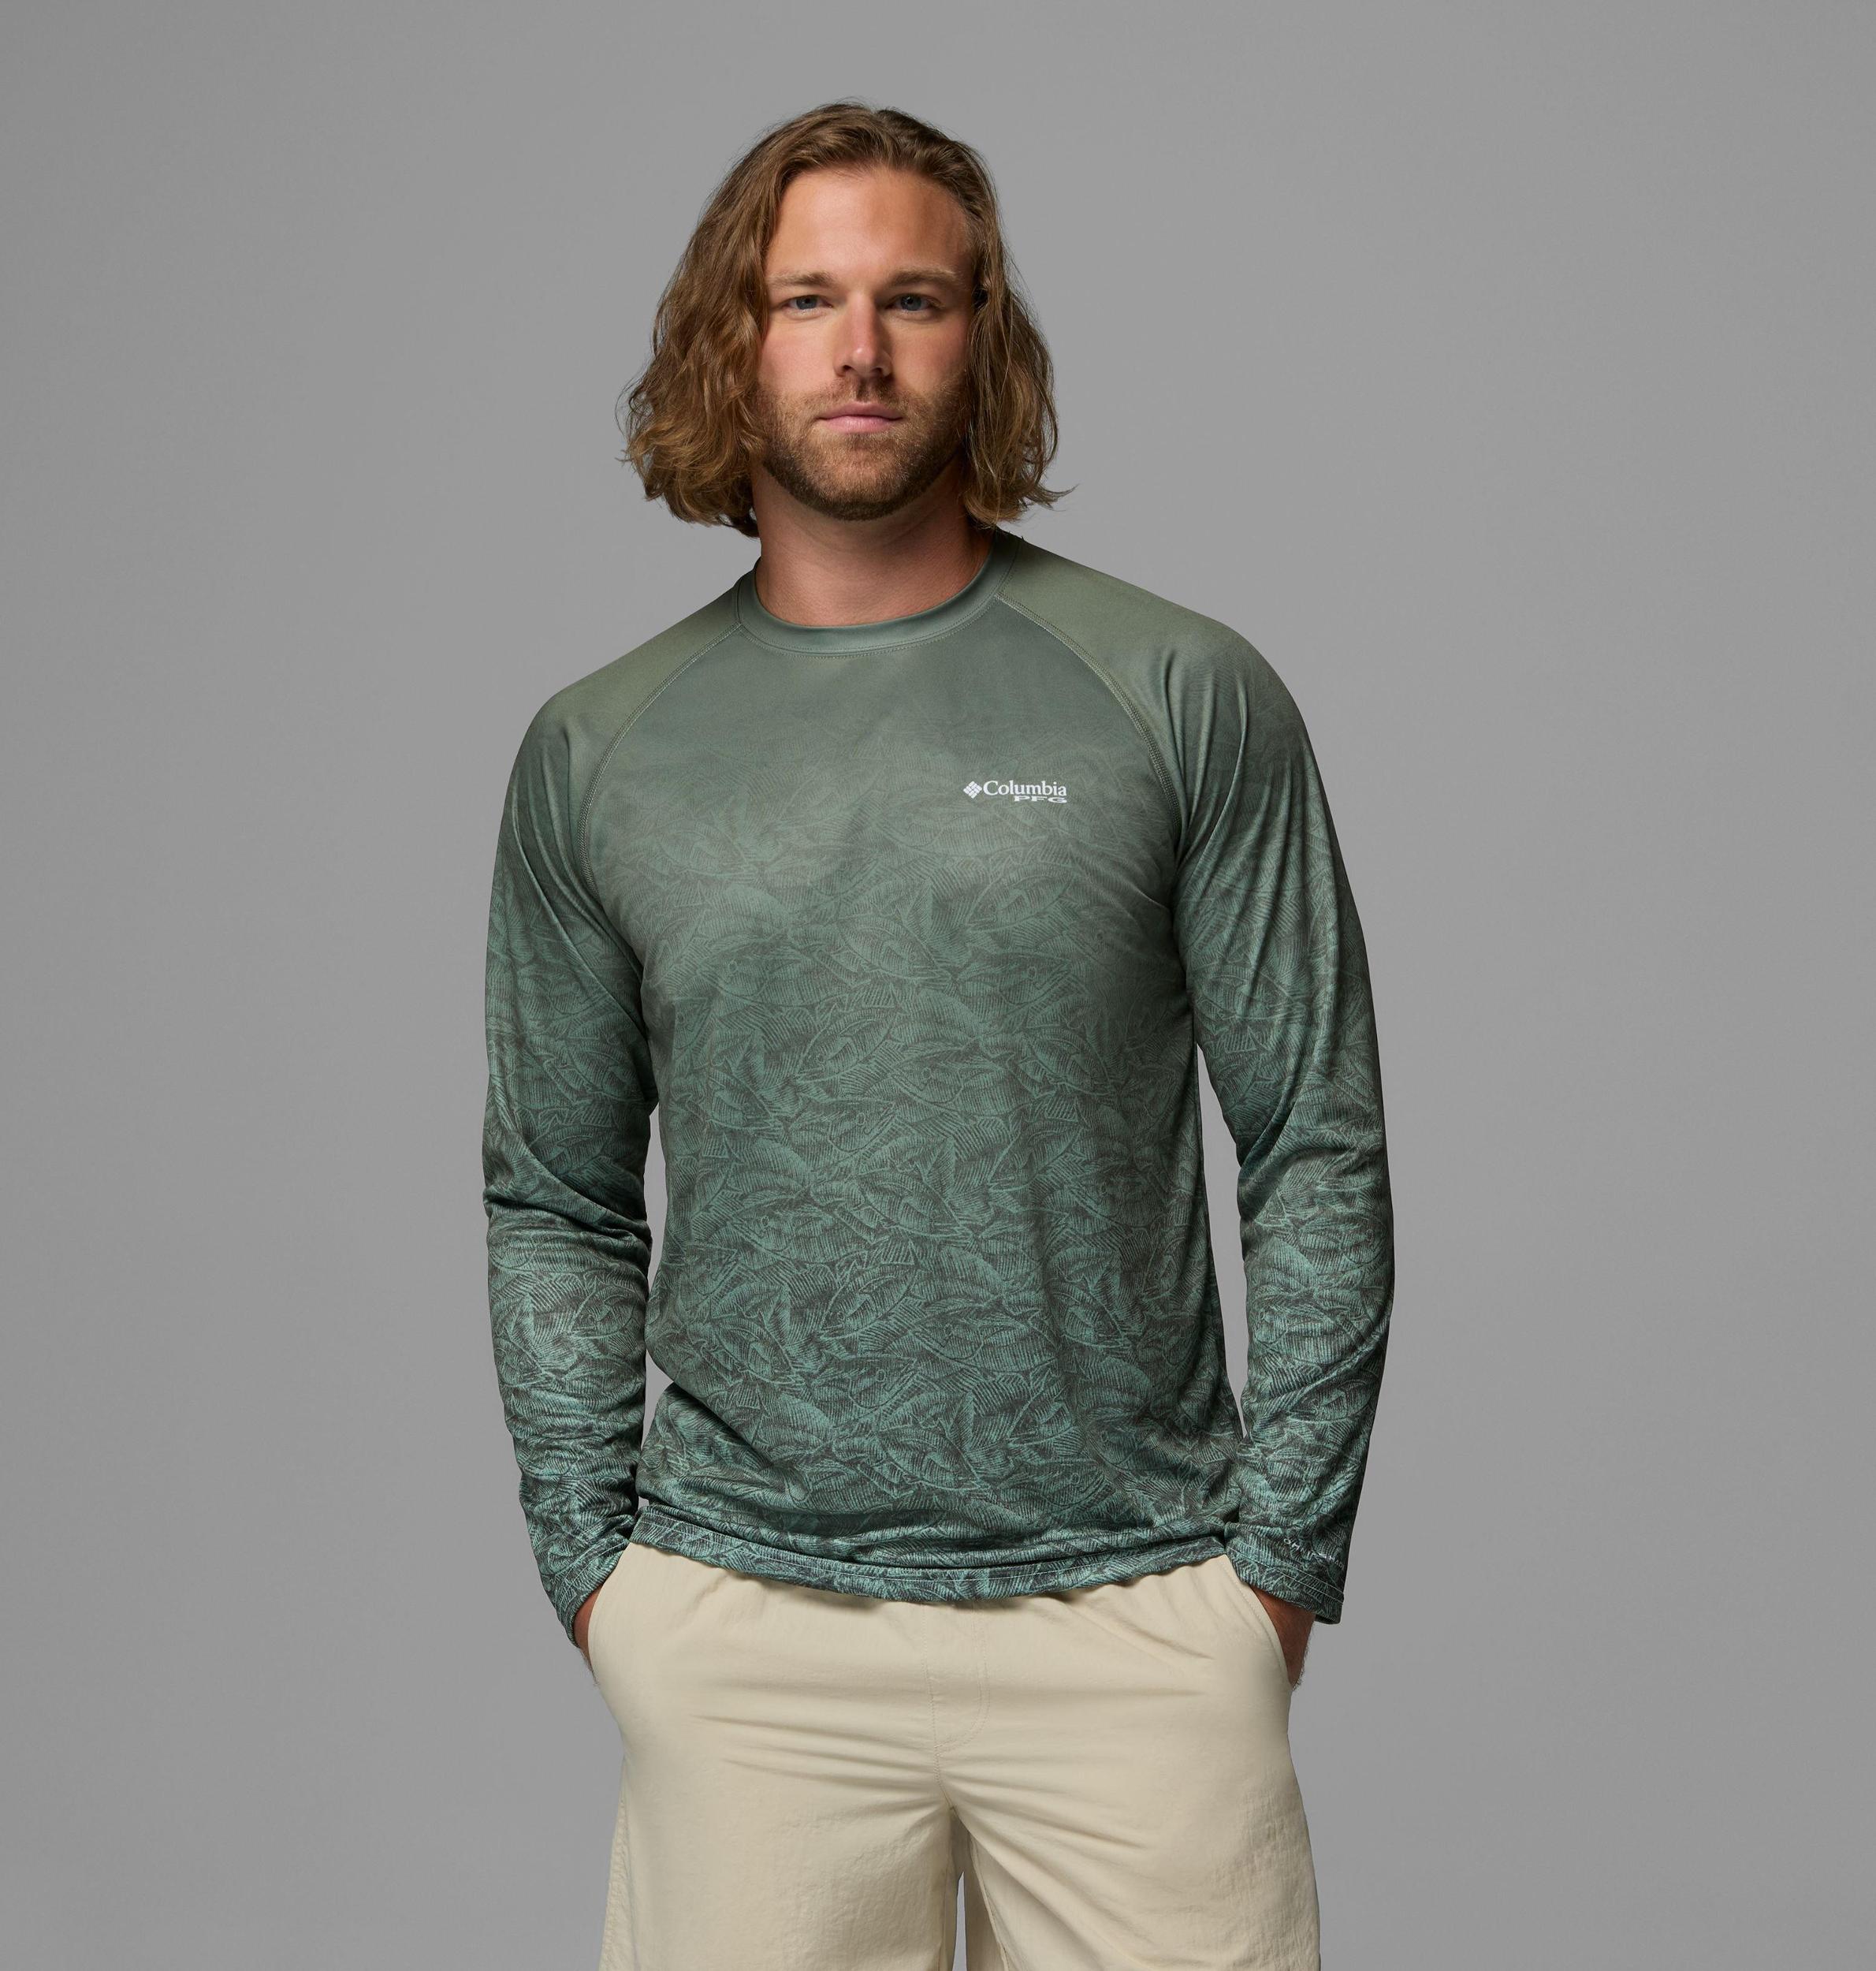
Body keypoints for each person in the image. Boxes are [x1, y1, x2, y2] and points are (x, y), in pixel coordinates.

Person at [481, 98, 1395, 1971]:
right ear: (728, 343)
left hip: (1138, 1613)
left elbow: (1314, 1141)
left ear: (984, 337)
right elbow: (554, 1193)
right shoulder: (598, 749)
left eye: (912, 298)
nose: (859, 348)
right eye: (804, 298)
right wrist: (598, 1573)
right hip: (743, 1626)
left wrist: (1272, 1576)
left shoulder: (1180, 692)